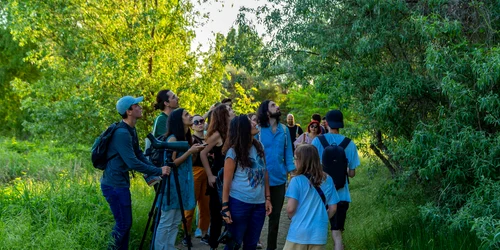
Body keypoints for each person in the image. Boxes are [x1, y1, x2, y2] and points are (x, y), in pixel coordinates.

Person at [101, 96, 171, 250]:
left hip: (120, 183)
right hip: (113, 185)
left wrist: (155, 171)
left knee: (125, 224)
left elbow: (139, 154)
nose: (140, 107)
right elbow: (132, 162)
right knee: (124, 224)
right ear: (129, 111)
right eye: (136, 105)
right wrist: (158, 170)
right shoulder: (122, 133)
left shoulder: (131, 129)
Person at [154, 108, 205, 250]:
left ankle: (169, 247)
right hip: (171, 185)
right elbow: (172, 163)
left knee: (176, 220)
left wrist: (194, 151)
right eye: (186, 114)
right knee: (166, 221)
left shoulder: (184, 137)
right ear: (178, 120)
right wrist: (189, 152)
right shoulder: (173, 138)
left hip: (181, 183)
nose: (190, 116)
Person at [221, 115, 272, 250]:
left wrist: (267, 198)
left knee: (251, 244)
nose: (255, 124)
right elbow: (226, 183)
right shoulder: (233, 153)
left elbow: (265, 172)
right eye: (250, 123)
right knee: (234, 243)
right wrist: (225, 207)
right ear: (243, 129)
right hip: (239, 203)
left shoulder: (259, 146)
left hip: (259, 205)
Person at [311, 110, 360, 250]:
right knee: (337, 233)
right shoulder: (350, 144)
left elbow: (312, 168)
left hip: (320, 194)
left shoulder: (317, 141)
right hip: (342, 195)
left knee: (315, 232)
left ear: (326, 123)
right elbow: (352, 173)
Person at [256, 100, 295, 250]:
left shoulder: (284, 130)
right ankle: (252, 243)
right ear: (266, 111)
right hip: (259, 181)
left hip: (279, 180)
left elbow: (289, 154)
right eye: (273, 105)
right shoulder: (258, 130)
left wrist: (293, 175)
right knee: (257, 217)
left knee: (275, 219)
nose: (277, 107)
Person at [284, 145, 339, 249]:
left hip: (298, 233)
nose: (293, 161)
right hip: (319, 233)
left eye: (295, 158)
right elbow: (333, 208)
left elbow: (291, 208)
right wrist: (321, 218)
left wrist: (291, 216)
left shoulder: (296, 180)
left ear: (302, 161)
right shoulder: (328, 179)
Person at [200, 104, 236, 250]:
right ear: (223, 115)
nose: (233, 111)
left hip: (233, 178)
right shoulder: (217, 134)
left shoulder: (234, 132)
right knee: (216, 216)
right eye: (230, 110)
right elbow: (202, 153)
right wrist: (209, 175)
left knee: (232, 215)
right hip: (218, 179)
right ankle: (213, 246)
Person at [183, 115, 210, 245]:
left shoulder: (210, 138)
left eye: (202, 121)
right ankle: (186, 235)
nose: (200, 123)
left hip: (208, 173)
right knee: (190, 205)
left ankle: (204, 233)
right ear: (192, 125)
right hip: (195, 172)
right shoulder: (191, 139)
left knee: (206, 206)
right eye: (196, 122)